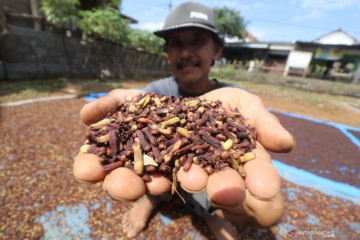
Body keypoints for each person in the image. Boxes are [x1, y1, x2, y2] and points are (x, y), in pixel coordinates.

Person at [73, 2, 296, 239]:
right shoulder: (154, 93)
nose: (186, 52)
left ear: (217, 50)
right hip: (161, 172)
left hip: (204, 172)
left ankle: (204, 209)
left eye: (197, 40)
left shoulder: (232, 99)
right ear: (167, 53)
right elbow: (143, 142)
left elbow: (235, 140)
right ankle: (152, 201)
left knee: (269, 208)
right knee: (144, 174)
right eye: (176, 43)